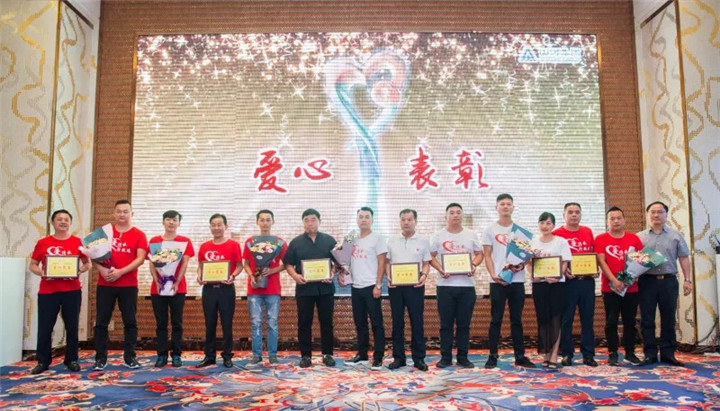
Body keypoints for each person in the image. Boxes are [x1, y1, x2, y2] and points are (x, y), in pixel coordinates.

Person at [28, 210, 90, 374]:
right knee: (45, 327)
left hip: (72, 291)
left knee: (72, 326)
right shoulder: (43, 242)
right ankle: (43, 361)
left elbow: (87, 264)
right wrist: (42, 272)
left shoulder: (78, 242)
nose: (63, 222)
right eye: (59, 219)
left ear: (70, 223)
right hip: (48, 291)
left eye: (66, 219)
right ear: (52, 222)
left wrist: (78, 271)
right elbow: (32, 264)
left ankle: (71, 360)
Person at [93, 200, 148, 370]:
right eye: (119, 211)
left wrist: (120, 272)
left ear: (132, 213)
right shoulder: (104, 232)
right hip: (105, 283)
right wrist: (101, 270)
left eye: (125, 211)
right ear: (113, 213)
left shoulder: (139, 234)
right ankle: (100, 358)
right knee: (101, 322)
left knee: (130, 322)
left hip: (128, 284)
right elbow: (93, 253)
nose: (122, 214)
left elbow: (140, 259)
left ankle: (130, 357)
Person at [483, 194, 535, 369]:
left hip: (517, 281)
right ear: (496, 207)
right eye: (502, 204)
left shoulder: (520, 231)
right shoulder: (490, 230)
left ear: (513, 207)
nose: (505, 206)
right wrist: (493, 274)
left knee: (516, 320)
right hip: (497, 281)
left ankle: (520, 356)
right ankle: (492, 356)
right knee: (495, 319)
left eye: (508, 204)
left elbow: (526, 256)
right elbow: (487, 255)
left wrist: (521, 266)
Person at [637, 201, 692, 366]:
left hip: (669, 281)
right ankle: (650, 354)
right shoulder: (639, 237)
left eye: (660, 212)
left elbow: (683, 257)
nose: (656, 215)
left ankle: (668, 354)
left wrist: (687, 279)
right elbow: (634, 261)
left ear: (666, 215)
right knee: (647, 318)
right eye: (652, 212)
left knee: (669, 318)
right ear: (648, 215)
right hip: (646, 281)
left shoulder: (676, 235)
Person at [430, 203, 483, 368]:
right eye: (452, 213)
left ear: (462, 216)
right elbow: (430, 256)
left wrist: (473, 265)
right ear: (446, 216)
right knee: (445, 325)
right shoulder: (438, 235)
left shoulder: (471, 234)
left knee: (464, 324)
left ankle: (463, 357)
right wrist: (440, 269)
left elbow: (479, 254)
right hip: (445, 286)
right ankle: (445, 357)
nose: (455, 215)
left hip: (467, 286)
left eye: (458, 212)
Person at [283, 208, 338, 368]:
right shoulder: (296, 242)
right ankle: (305, 356)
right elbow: (288, 264)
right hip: (304, 289)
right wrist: (295, 276)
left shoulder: (329, 240)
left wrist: (332, 273)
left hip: (325, 288)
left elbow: (337, 262)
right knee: (304, 323)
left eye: (313, 220)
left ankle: (327, 354)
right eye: (306, 220)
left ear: (319, 221)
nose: (310, 223)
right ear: (303, 223)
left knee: (326, 322)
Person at [595, 206, 643, 365]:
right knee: (611, 321)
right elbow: (601, 261)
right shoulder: (600, 239)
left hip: (631, 288)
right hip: (610, 288)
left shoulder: (634, 239)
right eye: (612, 218)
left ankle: (630, 352)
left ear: (624, 220)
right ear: (607, 222)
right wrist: (614, 281)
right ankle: (613, 352)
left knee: (630, 321)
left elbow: (641, 262)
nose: (616, 221)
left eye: (619, 218)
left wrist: (631, 278)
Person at [385, 209, 431, 371]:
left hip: (415, 286)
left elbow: (426, 263)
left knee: (417, 322)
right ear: (400, 222)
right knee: (397, 322)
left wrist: (424, 276)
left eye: (409, 220)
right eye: (403, 219)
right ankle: (399, 358)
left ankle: (419, 358)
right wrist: (389, 277)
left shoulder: (423, 241)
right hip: (396, 287)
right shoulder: (391, 240)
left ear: (415, 222)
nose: (406, 222)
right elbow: (387, 262)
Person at [342, 207, 387, 369]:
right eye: (360, 217)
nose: (363, 220)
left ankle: (378, 357)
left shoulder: (377, 238)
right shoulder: (351, 238)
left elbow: (382, 262)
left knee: (376, 323)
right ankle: (362, 354)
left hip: (371, 286)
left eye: (367, 217)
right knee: (360, 323)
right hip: (356, 286)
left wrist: (378, 285)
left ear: (372, 220)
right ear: (357, 220)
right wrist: (342, 271)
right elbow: (345, 260)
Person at [553, 202, 598, 367]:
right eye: (570, 212)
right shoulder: (557, 234)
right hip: (567, 283)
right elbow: (553, 258)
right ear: (563, 215)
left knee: (588, 319)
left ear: (581, 215)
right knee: (566, 319)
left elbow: (592, 254)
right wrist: (563, 270)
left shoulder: (587, 231)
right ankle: (567, 353)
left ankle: (588, 354)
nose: (574, 215)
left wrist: (595, 269)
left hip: (587, 282)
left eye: (577, 212)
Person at [148, 210, 194, 368]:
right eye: (168, 219)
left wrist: (177, 281)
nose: (171, 222)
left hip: (178, 288)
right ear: (163, 222)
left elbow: (185, 263)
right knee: (161, 323)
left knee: (177, 323)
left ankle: (176, 355)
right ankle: (161, 355)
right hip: (158, 288)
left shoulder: (184, 241)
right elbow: (152, 264)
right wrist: (157, 281)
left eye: (174, 220)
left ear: (179, 223)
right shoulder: (155, 241)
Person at [196, 214, 243, 368]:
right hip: (209, 290)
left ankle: (227, 356)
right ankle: (209, 356)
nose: (216, 228)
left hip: (226, 289)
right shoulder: (204, 246)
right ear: (210, 227)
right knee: (209, 323)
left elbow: (239, 266)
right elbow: (201, 267)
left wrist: (232, 276)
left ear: (225, 226)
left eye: (219, 224)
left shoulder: (233, 245)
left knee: (227, 323)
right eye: (213, 225)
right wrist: (199, 276)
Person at [242, 209, 287, 366]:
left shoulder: (280, 242)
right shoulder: (250, 242)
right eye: (262, 220)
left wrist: (272, 270)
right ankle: (257, 355)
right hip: (254, 289)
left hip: (273, 289)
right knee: (255, 322)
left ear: (273, 222)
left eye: (268, 220)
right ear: (257, 222)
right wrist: (251, 275)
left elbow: (287, 264)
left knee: (272, 323)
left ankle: (272, 355)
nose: (265, 223)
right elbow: (246, 263)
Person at [528, 212, 571, 370]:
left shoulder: (561, 241)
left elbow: (564, 263)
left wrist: (557, 276)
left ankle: (554, 355)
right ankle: (546, 353)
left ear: (553, 225)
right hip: (539, 285)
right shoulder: (532, 242)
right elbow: (529, 264)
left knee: (555, 320)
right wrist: (534, 275)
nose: (545, 226)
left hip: (557, 285)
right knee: (543, 319)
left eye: (548, 223)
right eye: (542, 223)